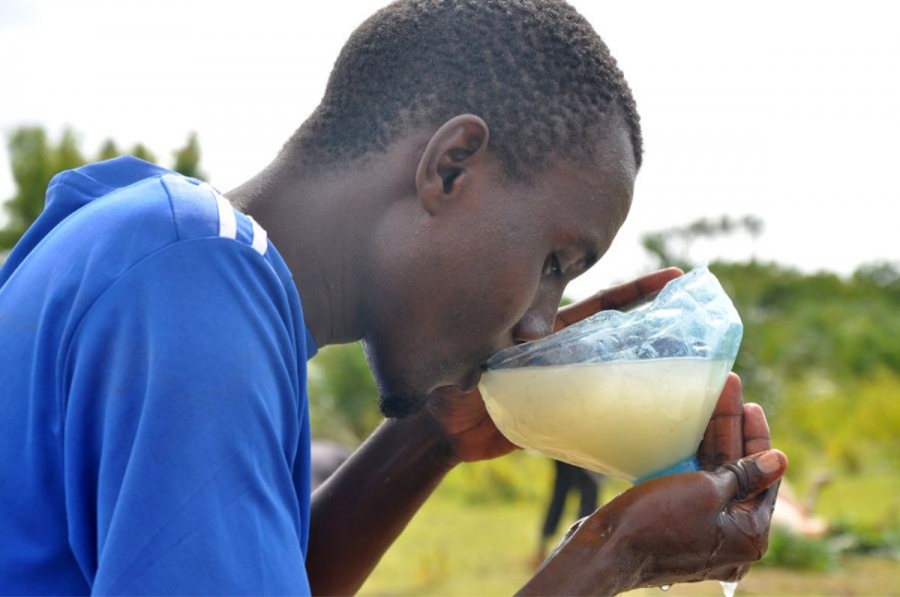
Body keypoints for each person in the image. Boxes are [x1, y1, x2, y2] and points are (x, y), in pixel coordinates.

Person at [0, 0, 787, 594]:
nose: (540, 322)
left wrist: (432, 438)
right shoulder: (199, 289)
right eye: (554, 261)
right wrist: (615, 552)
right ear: (450, 167)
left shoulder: (153, 242)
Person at [534, 460, 604, 566]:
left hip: (569, 452)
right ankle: (581, 553)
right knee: (586, 500)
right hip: (586, 455)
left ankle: (580, 552)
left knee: (561, 495)